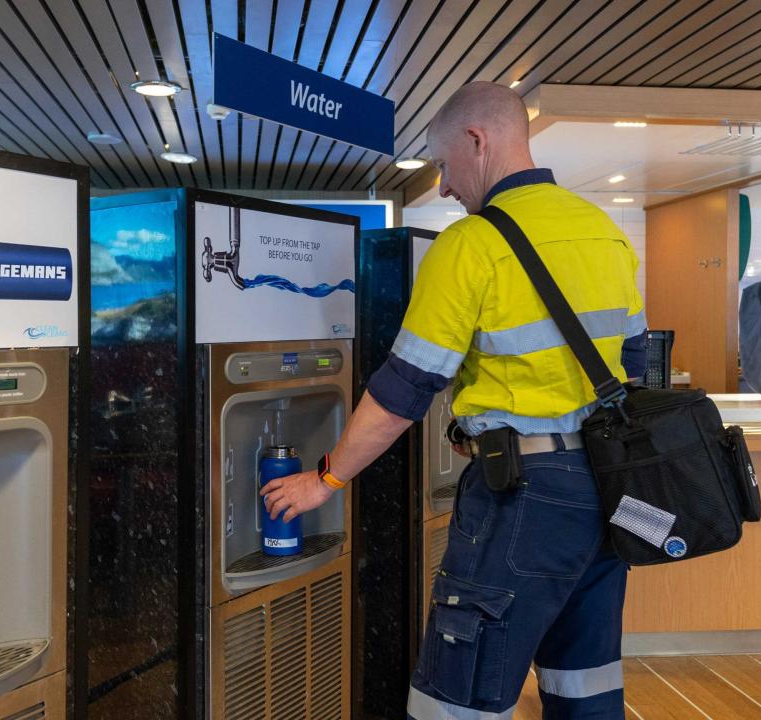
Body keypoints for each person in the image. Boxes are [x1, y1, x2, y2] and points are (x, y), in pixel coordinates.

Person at [260, 81, 647, 720]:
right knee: (585, 679)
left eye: (443, 163)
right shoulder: (601, 231)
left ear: (477, 140)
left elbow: (402, 391)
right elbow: (630, 366)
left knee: (456, 692)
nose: (442, 186)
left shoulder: (470, 245)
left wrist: (325, 479)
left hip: (523, 493)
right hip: (605, 486)